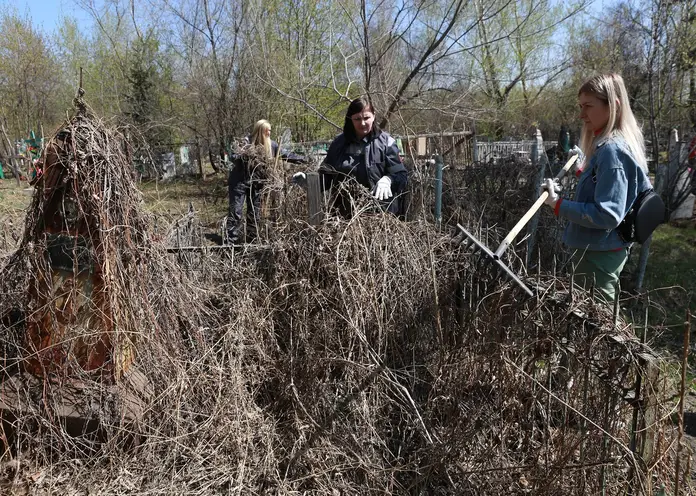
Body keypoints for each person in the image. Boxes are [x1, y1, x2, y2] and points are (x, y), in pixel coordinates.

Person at [542, 73, 653, 303]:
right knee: (593, 321)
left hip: (598, 254)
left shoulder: (613, 150)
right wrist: (583, 166)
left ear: (612, 106)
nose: (582, 115)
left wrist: (557, 204)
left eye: (588, 106)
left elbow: (607, 214)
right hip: (597, 250)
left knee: (596, 324)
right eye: (580, 107)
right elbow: (604, 182)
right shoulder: (608, 145)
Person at [294, 96, 408, 217]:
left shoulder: (386, 143)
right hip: (345, 217)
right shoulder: (338, 144)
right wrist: (309, 181)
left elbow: (401, 176)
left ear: (374, 116)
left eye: (366, 117)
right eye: (357, 119)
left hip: (380, 216)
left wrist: (388, 180)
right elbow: (327, 178)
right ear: (350, 119)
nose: (362, 123)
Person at [226, 119, 278, 244]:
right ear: (259, 130)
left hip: (257, 183)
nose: (269, 133)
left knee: (254, 213)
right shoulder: (246, 142)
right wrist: (245, 155)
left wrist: (302, 159)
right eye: (266, 131)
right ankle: (232, 242)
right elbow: (233, 156)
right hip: (239, 182)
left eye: (270, 130)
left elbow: (285, 155)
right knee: (236, 211)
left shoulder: (272, 145)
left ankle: (252, 240)